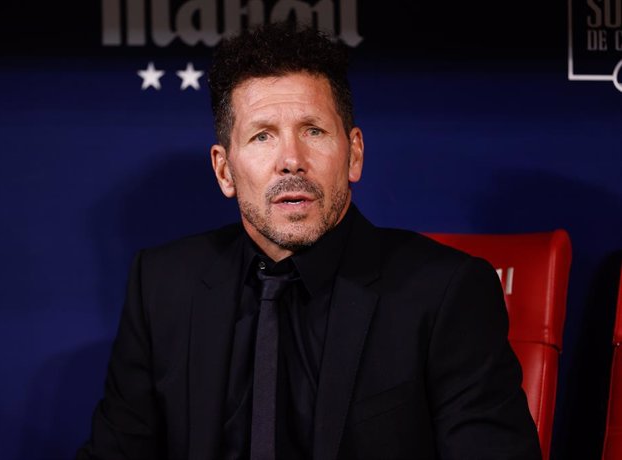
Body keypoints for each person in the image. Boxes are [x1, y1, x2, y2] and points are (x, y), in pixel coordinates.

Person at [76, 20, 541, 459]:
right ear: (224, 170)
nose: (291, 160)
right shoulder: (162, 287)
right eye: (262, 136)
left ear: (353, 154)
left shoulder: (445, 293)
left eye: (313, 131)